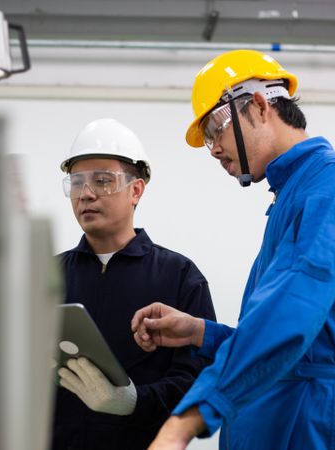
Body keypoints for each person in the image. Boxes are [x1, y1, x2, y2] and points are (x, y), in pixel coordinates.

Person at [131, 50, 335, 449]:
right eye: (207, 139)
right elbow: (283, 344)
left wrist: (184, 422)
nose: (214, 150)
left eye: (216, 128)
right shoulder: (291, 200)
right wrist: (198, 332)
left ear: (258, 105)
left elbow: (290, 319)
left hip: (319, 419)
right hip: (285, 414)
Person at [53, 118, 217, 450]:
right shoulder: (49, 275)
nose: (86, 194)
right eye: (76, 182)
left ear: (136, 190)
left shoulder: (179, 276)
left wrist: (135, 401)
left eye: (102, 181)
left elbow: (201, 381)